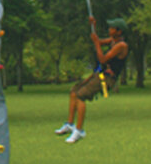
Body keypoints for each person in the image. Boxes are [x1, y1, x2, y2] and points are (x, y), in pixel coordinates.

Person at [55, 16, 129, 144]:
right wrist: (93, 26)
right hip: (100, 74)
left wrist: (96, 43)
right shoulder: (113, 40)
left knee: (80, 96)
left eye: (112, 28)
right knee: (74, 91)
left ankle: (79, 131)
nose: (109, 29)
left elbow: (102, 59)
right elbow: (98, 41)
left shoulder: (121, 45)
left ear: (119, 31)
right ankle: (70, 124)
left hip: (107, 78)